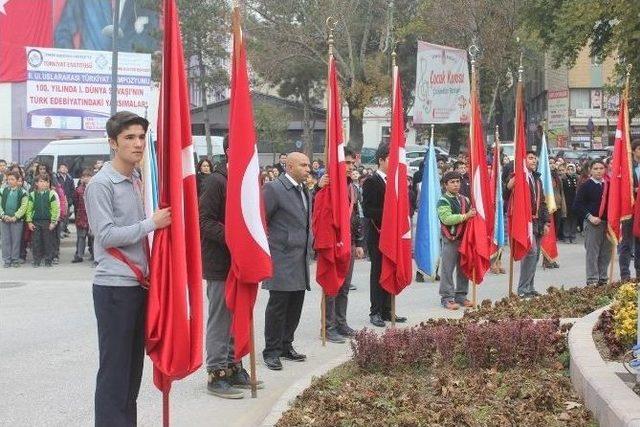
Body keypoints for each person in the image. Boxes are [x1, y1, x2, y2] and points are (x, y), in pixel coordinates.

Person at [85, 111, 171, 426]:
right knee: (115, 369)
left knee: (132, 370)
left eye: (140, 137)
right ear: (112, 143)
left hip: (138, 287)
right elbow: (105, 234)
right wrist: (152, 223)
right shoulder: (101, 184)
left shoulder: (137, 178)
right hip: (114, 288)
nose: (137, 144)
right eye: (129, 138)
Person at [199, 136, 262, 398]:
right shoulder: (216, 181)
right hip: (220, 263)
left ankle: (233, 365)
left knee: (239, 314)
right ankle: (216, 371)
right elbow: (204, 221)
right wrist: (235, 236)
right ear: (229, 151)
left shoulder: (246, 181)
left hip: (241, 262)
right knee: (221, 317)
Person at [262, 152, 313, 371]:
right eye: (303, 165)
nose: (308, 168)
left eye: (308, 164)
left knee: (295, 304)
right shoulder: (274, 189)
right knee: (278, 306)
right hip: (282, 256)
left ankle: (286, 345)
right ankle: (271, 351)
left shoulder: (304, 189)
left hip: (300, 258)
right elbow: (263, 219)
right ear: (289, 167)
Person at [318, 148, 365, 343]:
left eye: (352, 163)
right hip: (332, 243)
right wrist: (318, 188)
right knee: (332, 286)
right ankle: (328, 327)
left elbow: (357, 216)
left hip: (349, 243)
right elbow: (318, 211)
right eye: (346, 163)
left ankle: (341, 322)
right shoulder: (328, 187)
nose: (350, 166)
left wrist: (359, 243)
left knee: (344, 286)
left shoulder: (352, 188)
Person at [362, 143, 407, 327]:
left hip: (394, 235)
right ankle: (376, 311)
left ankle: (388, 310)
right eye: (390, 159)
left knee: (391, 269)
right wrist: (390, 214)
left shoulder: (395, 181)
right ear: (381, 160)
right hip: (379, 234)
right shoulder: (372, 181)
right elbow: (368, 209)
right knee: (378, 272)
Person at [506, 151, 550, 298]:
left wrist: (546, 222)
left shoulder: (537, 179)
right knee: (530, 252)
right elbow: (507, 189)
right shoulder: (518, 176)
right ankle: (522, 289)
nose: (534, 161)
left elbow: (542, 202)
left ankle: (530, 287)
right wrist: (514, 179)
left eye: (535, 159)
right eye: (530, 158)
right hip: (524, 221)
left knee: (535, 256)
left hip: (537, 221)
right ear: (522, 160)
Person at [437, 171, 476, 309]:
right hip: (451, 240)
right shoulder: (443, 200)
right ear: (445, 185)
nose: (455, 184)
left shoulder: (465, 199)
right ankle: (447, 298)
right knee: (448, 269)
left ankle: (461, 296)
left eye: (458, 182)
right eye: (452, 182)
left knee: (463, 267)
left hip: (464, 240)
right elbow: (447, 219)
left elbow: (473, 216)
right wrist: (466, 216)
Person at [573, 160, 612, 286]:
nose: (599, 171)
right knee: (592, 253)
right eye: (595, 168)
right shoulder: (586, 185)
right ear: (590, 170)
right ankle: (592, 280)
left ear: (605, 170)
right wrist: (590, 217)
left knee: (606, 253)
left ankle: (603, 278)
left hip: (608, 224)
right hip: (593, 223)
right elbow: (577, 205)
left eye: (601, 168)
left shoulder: (609, 185)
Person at [26, 174, 60, 267]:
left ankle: (48, 260)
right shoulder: (32, 195)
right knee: (36, 242)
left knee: (48, 241)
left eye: (46, 181)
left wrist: (53, 222)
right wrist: (29, 221)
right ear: (36, 183)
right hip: (36, 221)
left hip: (47, 222)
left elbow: (55, 209)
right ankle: (37, 260)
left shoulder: (51, 194)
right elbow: (29, 209)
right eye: (41, 181)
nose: (44, 183)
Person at [618, 141, 640, 281]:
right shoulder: (628, 167)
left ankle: (638, 272)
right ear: (633, 151)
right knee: (626, 243)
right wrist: (634, 190)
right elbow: (622, 188)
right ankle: (625, 274)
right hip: (629, 209)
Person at [1, 172, 28, 267]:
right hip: (4, 219)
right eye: (8, 179)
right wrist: (3, 215)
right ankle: (7, 260)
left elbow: (24, 206)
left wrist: (15, 217)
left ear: (17, 181)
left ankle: (15, 259)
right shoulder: (3, 190)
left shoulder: (23, 192)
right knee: (5, 240)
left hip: (17, 220)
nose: (10, 181)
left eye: (12, 179)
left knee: (16, 240)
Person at [72, 170, 92, 263]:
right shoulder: (78, 190)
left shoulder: (95, 187)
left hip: (93, 216)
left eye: (88, 176)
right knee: (81, 237)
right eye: (84, 176)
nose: (86, 178)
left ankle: (95, 256)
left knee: (93, 237)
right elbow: (75, 203)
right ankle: (79, 255)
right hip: (81, 216)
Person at [56, 163, 75, 235]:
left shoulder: (70, 178)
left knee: (66, 217)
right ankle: (60, 231)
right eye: (62, 167)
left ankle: (64, 229)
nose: (64, 169)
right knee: (60, 216)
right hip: (60, 201)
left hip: (68, 201)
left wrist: (70, 200)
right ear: (59, 169)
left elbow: (72, 190)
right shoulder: (56, 178)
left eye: (65, 167)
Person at [562, 163, 579, 243]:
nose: (570, 171)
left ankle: (573, 235)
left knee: (574, 219)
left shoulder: (577, 179)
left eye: (572, 169)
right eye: (568, 169)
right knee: (567, 219)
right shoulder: (564, 179)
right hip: (566, 201)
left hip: (575, 201)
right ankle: (566, 235)